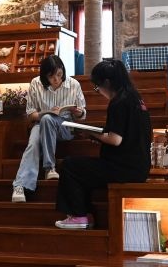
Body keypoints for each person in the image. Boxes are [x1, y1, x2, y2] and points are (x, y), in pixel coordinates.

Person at [55, 59, 152, 229]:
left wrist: (90, 133)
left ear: (107, 83)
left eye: (97, 87)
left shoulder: (118, 102)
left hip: (123, 169)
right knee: (84, 169)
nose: (98, 91)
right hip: (139, 167)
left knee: (70, 166)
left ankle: (79, 216)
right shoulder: (136, 98)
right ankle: (86, 215)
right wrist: (98, 134)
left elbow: (115, 139)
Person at [12, 55, 87, 203]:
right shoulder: (36, 83)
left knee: (47, 120)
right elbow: (31, 115)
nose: (56, 79)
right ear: (45, 76)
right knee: (34, 142)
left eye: (59, 74)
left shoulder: (74, 84)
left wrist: (78, 112)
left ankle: (49, 168)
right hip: (41, 123)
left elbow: (82, 115)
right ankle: (20, 186)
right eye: (51, 76)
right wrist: (46, 113)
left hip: (65, 126)